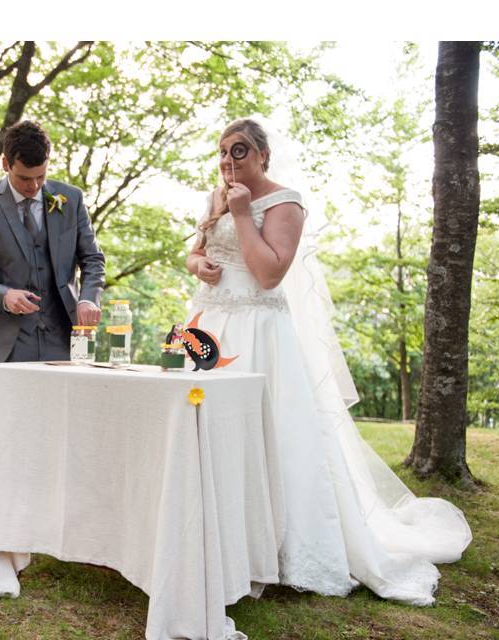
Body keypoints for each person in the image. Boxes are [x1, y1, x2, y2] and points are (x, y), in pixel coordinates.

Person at [186, 117, 472, 604]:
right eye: (222, 151)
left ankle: (273, 546)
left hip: (260, 333)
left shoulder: (284, 202)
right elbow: (194, 253)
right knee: (204, 427)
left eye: (239, 152)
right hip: (209, 328)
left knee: (268, 432)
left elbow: (270, 273)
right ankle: (212, 535)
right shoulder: (215, 197)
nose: (228, 161)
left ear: (262, 156)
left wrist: (240, 215)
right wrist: (200, 266)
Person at [0, 120, 105, 363]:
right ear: (5, 164)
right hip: (8, 346)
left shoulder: (72, 199)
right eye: (25, 178)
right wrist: (4, 296)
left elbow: (93, 259)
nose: (34, 185)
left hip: (66, 339)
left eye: (41, 176)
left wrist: (88, 298)